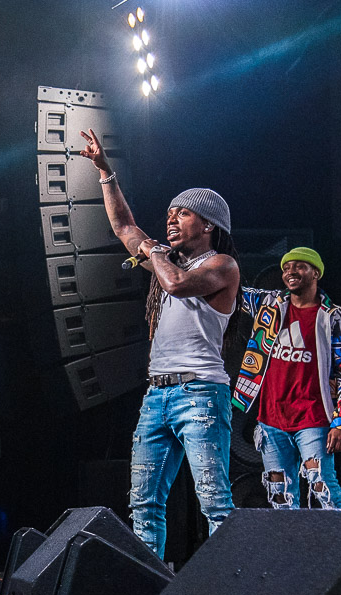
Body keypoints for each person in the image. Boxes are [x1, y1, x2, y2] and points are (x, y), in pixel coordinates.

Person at [80, 128, 239, 558]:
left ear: (207, 224)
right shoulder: (165, 260)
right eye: (168, 213)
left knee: (215, 504)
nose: (170, 219)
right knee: (143, 505)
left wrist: (153, 253)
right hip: (158, 395)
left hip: (200, 392)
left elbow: (178, 285)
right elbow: (124, 226)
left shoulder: (222, 265)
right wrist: (104, 172)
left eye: (181, 213)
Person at [234, 247, 341, 509]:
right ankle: (291, 551)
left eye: (300, 266)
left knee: (322, 486)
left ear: (316, 272)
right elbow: (230, 290)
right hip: (271, 419)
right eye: (286, 268)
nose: (291, 272)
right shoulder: (269, 305)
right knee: (280, 495)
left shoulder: (333, 317)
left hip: (313, 418)